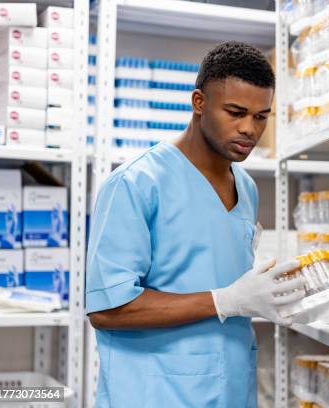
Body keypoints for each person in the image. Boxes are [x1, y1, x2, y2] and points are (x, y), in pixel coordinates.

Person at [85, 41, 305, 408]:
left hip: (231, 389)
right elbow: (107, 309)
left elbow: (218, 276)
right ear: (198, 103)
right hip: (157, 395)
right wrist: (227, 300)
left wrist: (262, 295)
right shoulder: (137, 183)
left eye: (261, 116)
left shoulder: (246, 188)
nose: (249, 129)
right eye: (235, 112)